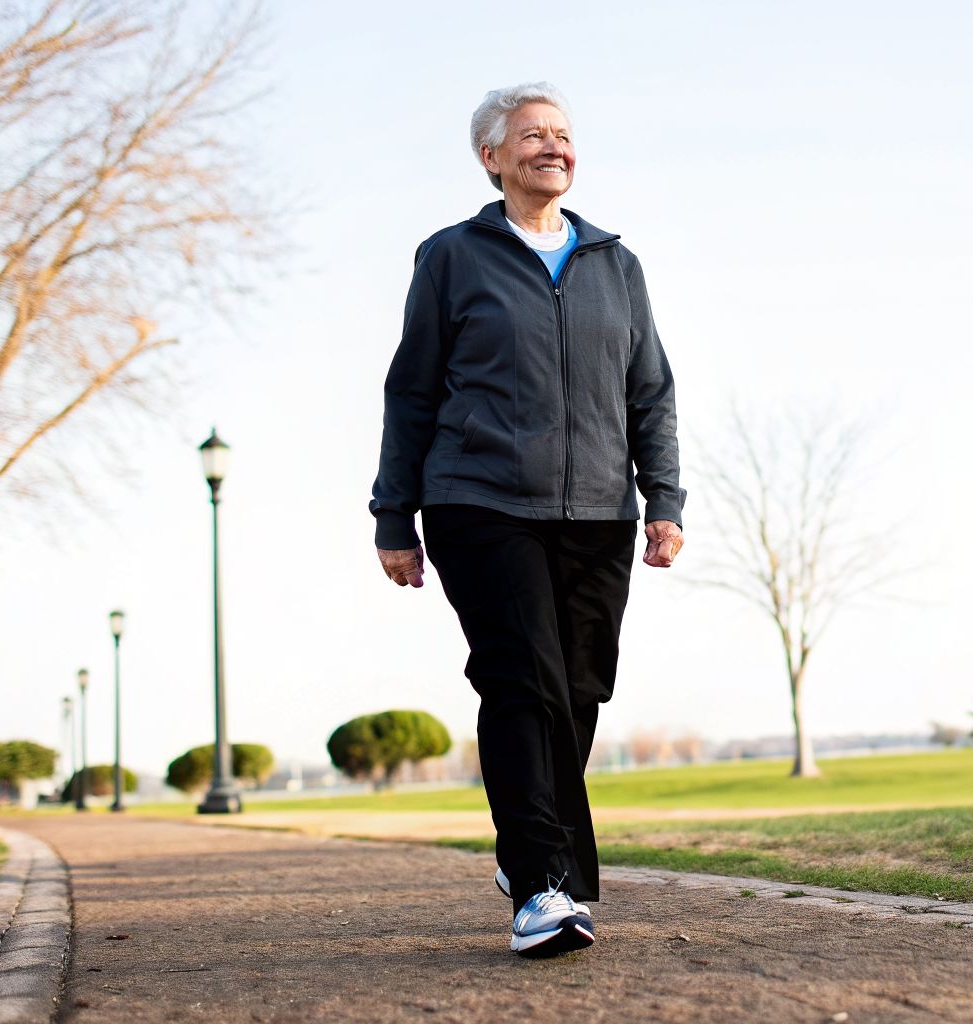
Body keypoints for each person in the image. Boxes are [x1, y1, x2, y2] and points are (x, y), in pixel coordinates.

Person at [368, 81, 686, 959]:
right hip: (478, 501)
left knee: (580, 690)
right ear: (492, 157)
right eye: (533, 136)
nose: (554, 147)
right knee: (522, 680)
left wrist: (664, 499)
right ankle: (545, 884)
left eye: (564, 135)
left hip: (595, 511)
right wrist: (395, 514)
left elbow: (649, 392)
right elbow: (413, 390)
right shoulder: (451, 257)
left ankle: (526, 843)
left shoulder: (615, 264)